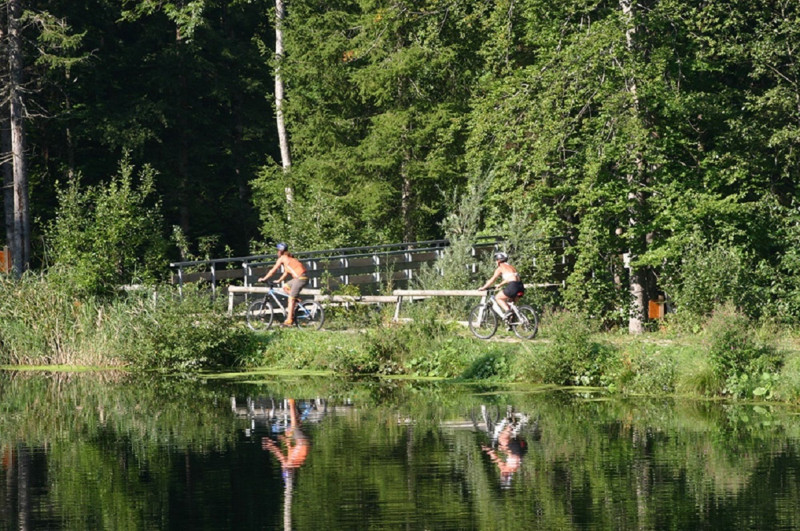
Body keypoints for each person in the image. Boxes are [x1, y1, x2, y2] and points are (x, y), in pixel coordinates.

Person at [258, 243, 308, 326]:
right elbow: (286, 272)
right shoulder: (289, 258)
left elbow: (273, 270)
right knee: (285, 287)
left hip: (300, 279)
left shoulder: (283, 258)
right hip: (301, 277)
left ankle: (289, 321)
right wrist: (279, 280)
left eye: (278, 251)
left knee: (290, 298)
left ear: (280, 251)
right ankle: (296, 301)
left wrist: (264, 279)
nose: (277, 252)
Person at [478, 251, 525, 321]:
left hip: (513, 285)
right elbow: (511, 277)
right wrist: (500, 285)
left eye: (496, 260)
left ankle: (508, 312)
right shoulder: (511, 267)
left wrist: (483, 287)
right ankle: (511, 324)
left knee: (498, 298)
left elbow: (492, 279)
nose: (496, 262)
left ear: (499, 260)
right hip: (520, 286)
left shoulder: (500, 268)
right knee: (510, 305)